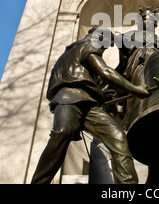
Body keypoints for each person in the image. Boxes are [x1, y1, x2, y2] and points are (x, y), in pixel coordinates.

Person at [31, 27, 150, 184]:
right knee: (61, 133)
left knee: (118, 137)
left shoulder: (71, 55)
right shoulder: (88, 44)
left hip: (89, 105)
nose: (104, 49)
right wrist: (135, 89)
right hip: (70, 98)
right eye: (106, 45)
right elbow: (105, 71)